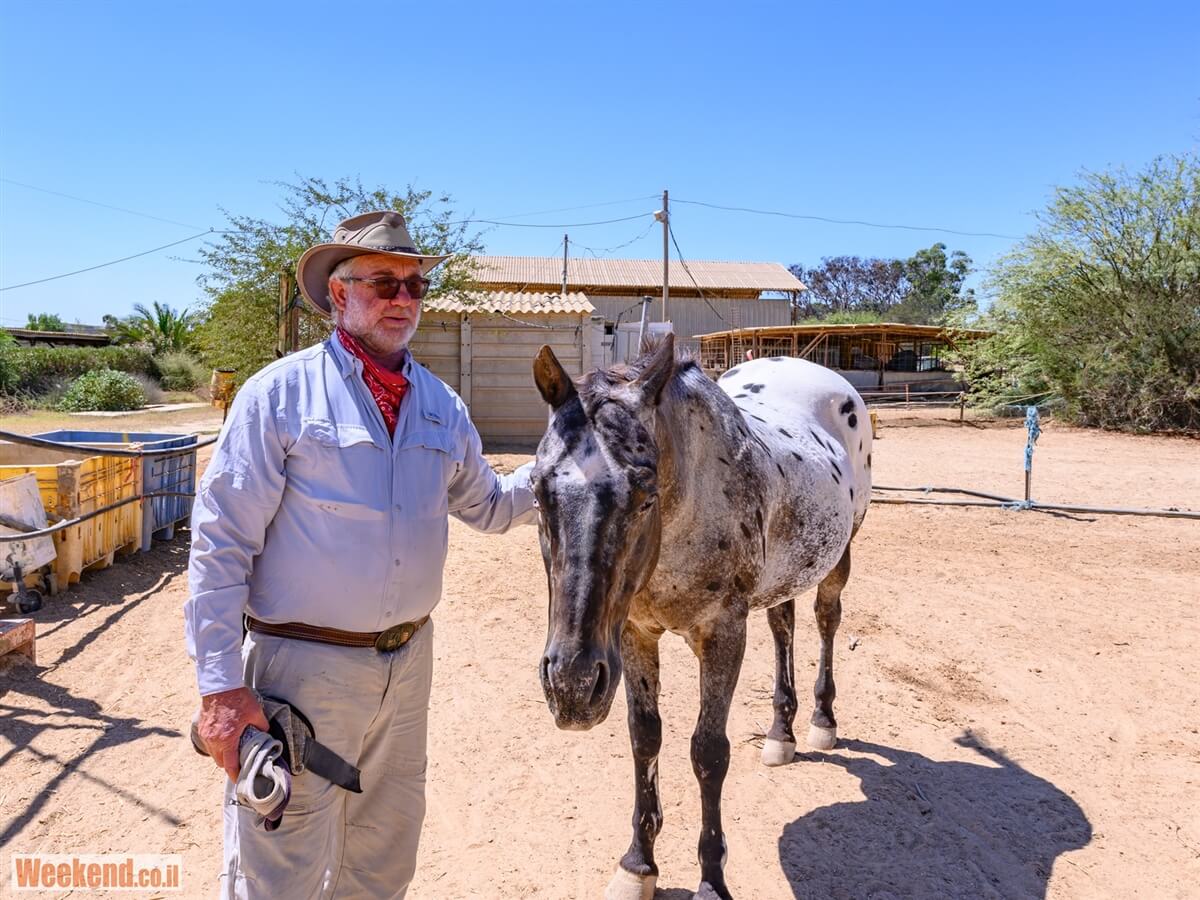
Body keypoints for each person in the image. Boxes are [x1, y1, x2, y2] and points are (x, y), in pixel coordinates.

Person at [184, 211, 536, 899]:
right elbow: (220, 544)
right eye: (384, 283)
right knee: (277, 863)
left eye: (414, 286)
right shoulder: (278, 397)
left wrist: (562, 469)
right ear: (339, 295)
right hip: (299, 671)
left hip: (408, 667)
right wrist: (222, 689)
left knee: (383, 857)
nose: (404, 300)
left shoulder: (441, 406)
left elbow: (490, 506)